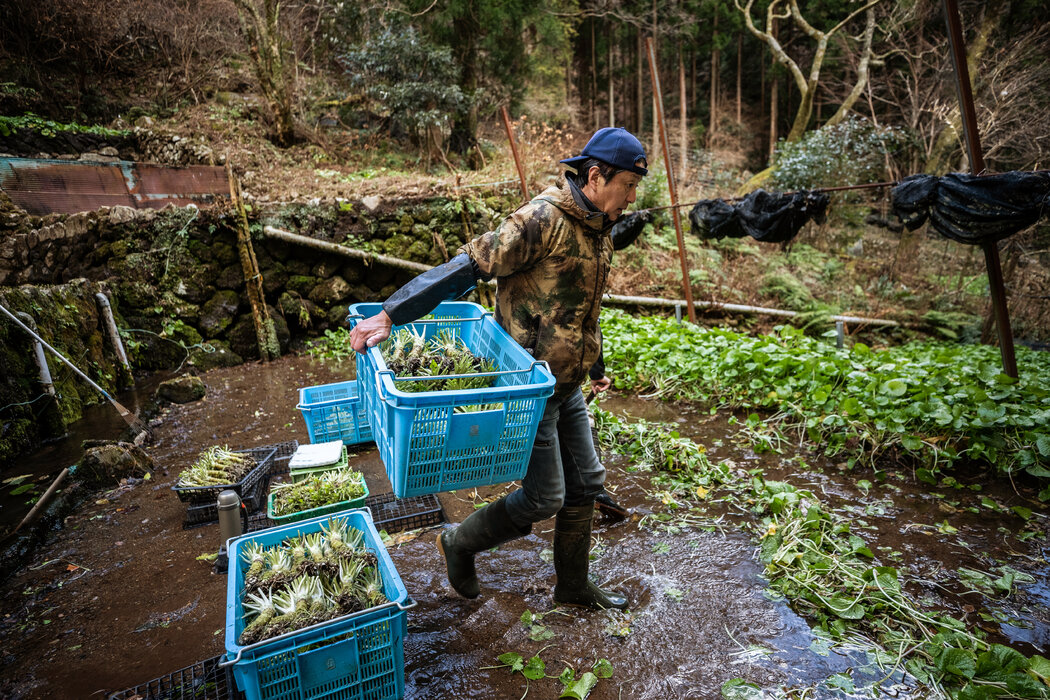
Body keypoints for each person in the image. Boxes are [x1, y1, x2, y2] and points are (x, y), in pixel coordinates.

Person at [349, 126, 648, 610]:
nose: (631, 199)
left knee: (587, 483)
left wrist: (596, 368)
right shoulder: (540, 220)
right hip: (528, 388)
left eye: (636, 189)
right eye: (628, 187)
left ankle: (572, 586)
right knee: (545, 497)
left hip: (567, 383)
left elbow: (581, 311)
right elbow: (469, 265)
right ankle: (459, 542)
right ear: (596, 176)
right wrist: (390, 312)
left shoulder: (600, 233)